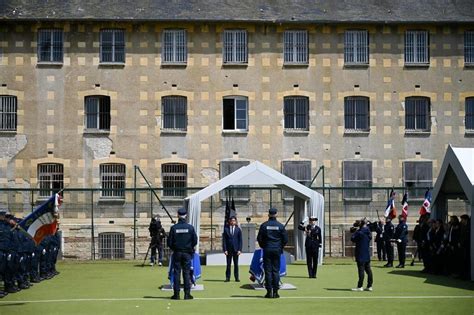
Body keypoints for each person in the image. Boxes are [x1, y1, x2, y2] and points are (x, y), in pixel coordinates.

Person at [257, 208, 288, 299]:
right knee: (275, 271)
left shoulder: (264, 225)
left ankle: (269, 292)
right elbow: (285, 240)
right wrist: (280, 247)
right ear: (276, 214)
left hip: (267, 249)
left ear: (269, 215)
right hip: (277, 250)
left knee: (268, 271)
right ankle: (276, 292)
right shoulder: (280, 226)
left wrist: (264, 246)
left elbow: (259, 238)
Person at [167, 208, 197, 300]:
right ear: (186, 215)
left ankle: (176, 294)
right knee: (186, 273)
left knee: (176, 273)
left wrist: (175, 248)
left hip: (177, 252)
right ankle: (187, 294)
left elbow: (169, 242)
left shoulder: (173, 228)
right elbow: (195, 241)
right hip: (187, 253)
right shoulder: (190, 227)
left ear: (177, 215)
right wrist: (190, 248)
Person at [350, 219, 373, 292]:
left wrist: (355, 232)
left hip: (360, 254)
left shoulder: (359, 232)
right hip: (367, 253)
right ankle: (369, 286)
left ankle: (360, 286)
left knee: (361, 271)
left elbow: (352, 239)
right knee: (368, 271)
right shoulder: (368, 232)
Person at [222, 216, 242, 282]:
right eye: (232, 220)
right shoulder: (226, 229)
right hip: (228, 250)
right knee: (228, 264)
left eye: (234, 221)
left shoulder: (238, 229)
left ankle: (236, 278)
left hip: (236, 250)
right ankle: (227, 278)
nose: (233, 222)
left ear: (236, 221)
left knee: (236, 264)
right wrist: (225, 250)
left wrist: (239, 249)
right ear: (229, 221)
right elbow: (224, 240)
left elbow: (240, 240)